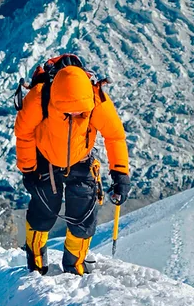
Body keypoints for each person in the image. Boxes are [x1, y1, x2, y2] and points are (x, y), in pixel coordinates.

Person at [14, 54, 131, 276]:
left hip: (82, 161)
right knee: (43, 213)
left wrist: (120, 174)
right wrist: (28, 169)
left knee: (83, 217)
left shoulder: (95, 98)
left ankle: (74, 265)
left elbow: (114, 136)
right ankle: (36, 263)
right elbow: (24, 132)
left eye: (80, 112)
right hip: (46, 162)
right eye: (68, 112)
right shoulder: (40, 96)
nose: (76, 114)